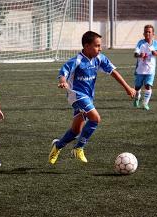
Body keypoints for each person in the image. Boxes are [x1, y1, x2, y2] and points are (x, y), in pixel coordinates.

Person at [48, 31, 136, 164]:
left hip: (88, 97)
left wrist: (127, 87)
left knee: (75, 130)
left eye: (100, 46)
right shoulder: (76, 60)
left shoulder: (99, 58)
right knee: (95, 118)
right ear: (87, 46)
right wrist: (63, 81)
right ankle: (79, 148)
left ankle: (57, 146)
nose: (100, 48)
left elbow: (113, 72)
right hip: (76, 96)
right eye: (97, 45)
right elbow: (63, 72)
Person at [133, 24, 157, 111]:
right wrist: (140, 55)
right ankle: (137, 97)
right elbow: (135, 54)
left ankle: (145, 103)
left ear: (153, 34)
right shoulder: (140, 43)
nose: (148, 33)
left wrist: (155, 53)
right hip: (140, 70)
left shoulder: (155, 43)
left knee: (148, 86)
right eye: (146, 32)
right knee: (137, 87)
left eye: (149, 32)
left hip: (150, 70)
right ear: (143, 33)